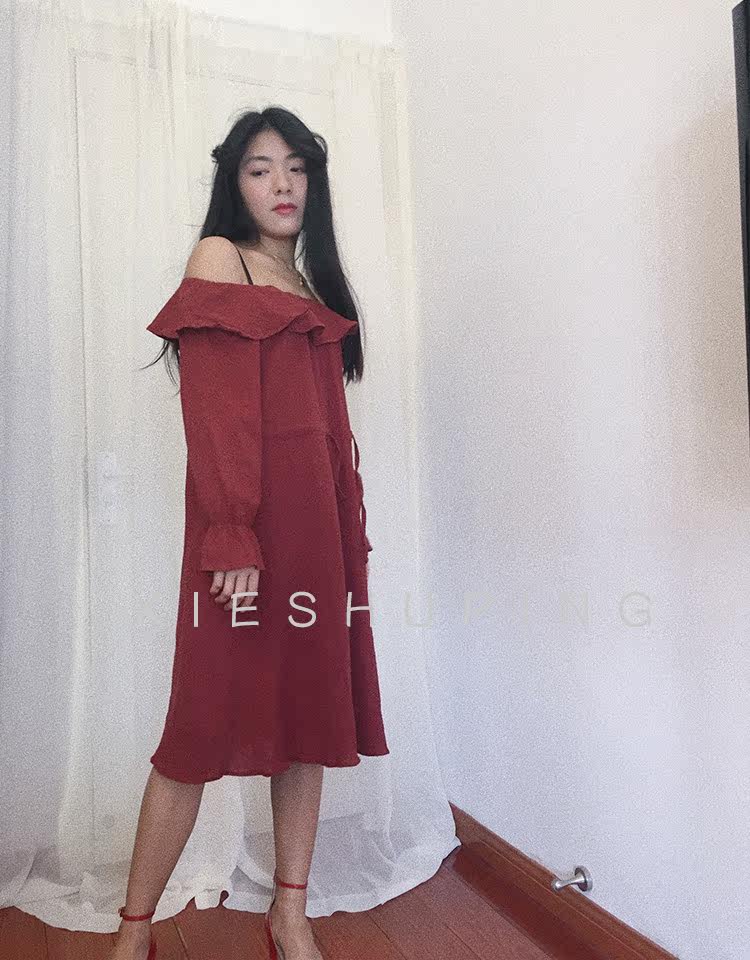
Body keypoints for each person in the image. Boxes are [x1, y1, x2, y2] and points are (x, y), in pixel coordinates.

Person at [109, 107, 389, 960]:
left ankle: (289, 915)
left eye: (296, 167)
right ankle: (134, 930)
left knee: (307, 725)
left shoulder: (311, 284)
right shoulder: (219, 258)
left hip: (317, 540)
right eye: (260, 168)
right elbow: (218, 412)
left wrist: (349, 536)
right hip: (245, 541)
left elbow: (328, 433)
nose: (282, 184)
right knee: (196, 732)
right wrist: (232, 533)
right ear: (234, 183)